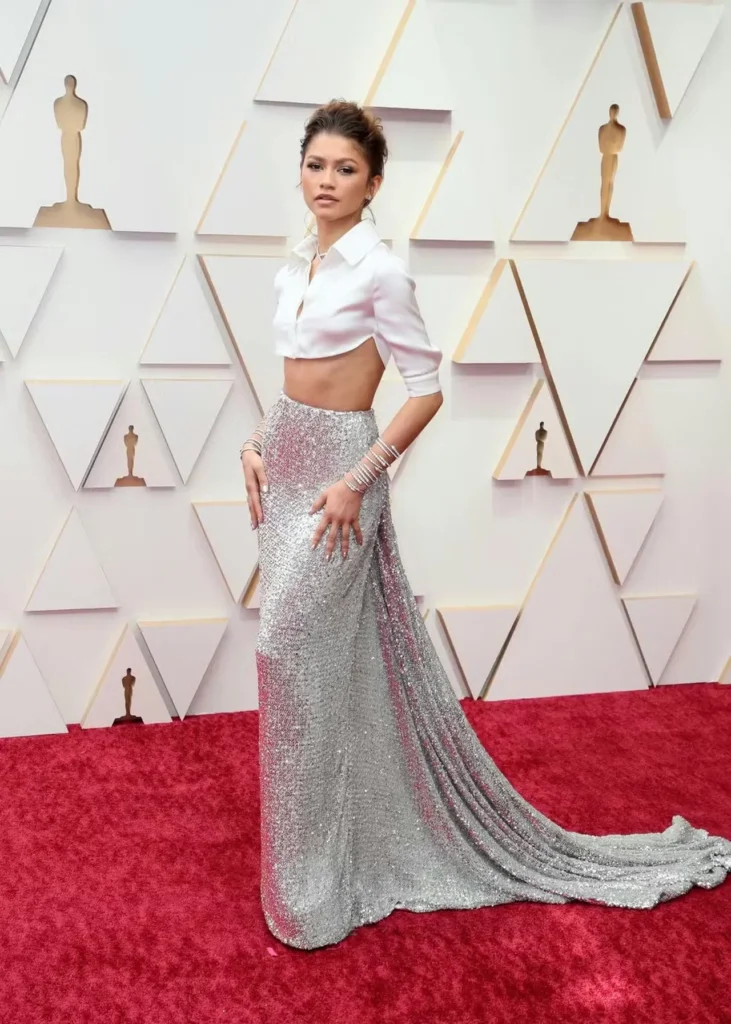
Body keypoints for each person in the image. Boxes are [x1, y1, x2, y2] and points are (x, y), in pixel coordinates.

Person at [240, 100, 731, 951]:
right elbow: (293, 377)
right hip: (284, 471)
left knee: (289, 652)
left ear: (374, 183)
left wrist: (357, 481)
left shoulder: (381, 272)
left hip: (341, 480)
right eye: (316, 165)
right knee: (303, 670)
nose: (326, 181)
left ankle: (316, 885)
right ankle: (307, 871)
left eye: (345, 169)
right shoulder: (296, 264)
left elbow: (424, 391)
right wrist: (255, 443)